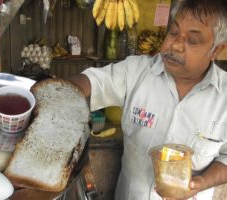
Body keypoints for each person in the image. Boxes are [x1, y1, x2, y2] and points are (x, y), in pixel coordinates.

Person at [69, 0, 227, 199]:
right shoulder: (135, 71)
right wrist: (59, 93)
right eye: (173, 32)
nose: (176, 45)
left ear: (216, 50)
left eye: (193, 40)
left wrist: (203, 182)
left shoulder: (224, 99)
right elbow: (92, 82)